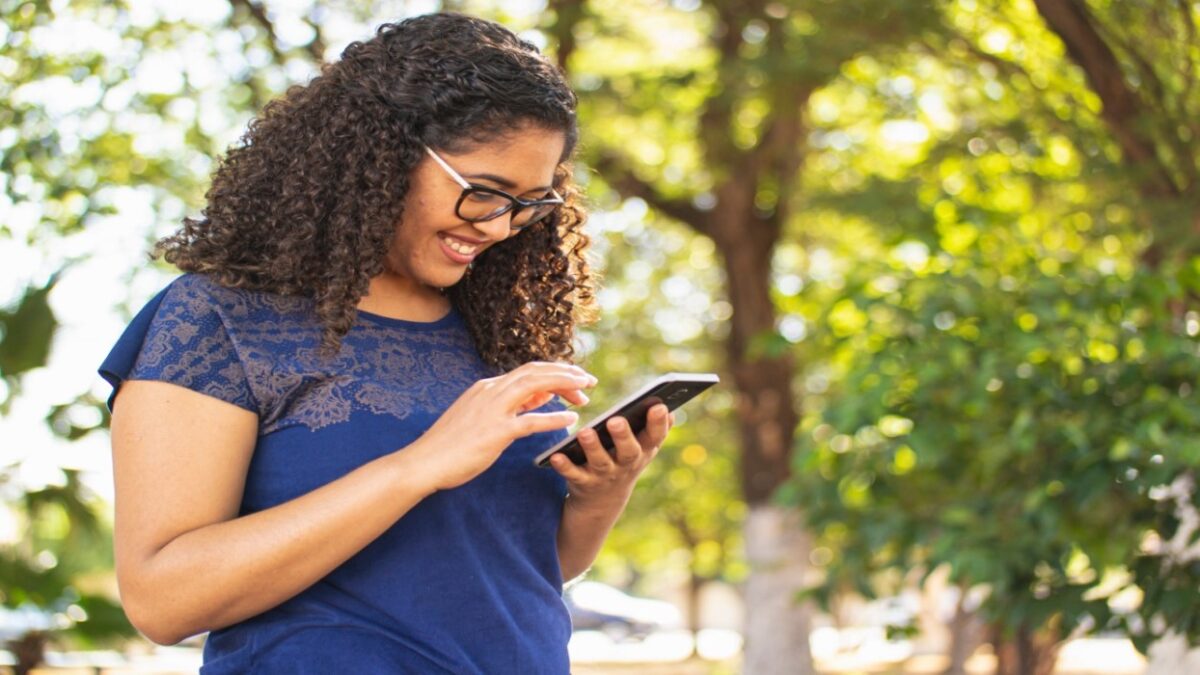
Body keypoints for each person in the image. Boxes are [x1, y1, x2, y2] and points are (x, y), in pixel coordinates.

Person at [98, 13, 673, 674]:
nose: (501, 226)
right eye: (484, 192)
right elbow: (162, 600)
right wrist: (417, 466)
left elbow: (511, 568)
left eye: (530, 204)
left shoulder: (494, 333)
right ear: (383, 153)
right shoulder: (217, 319)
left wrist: (601, 495)